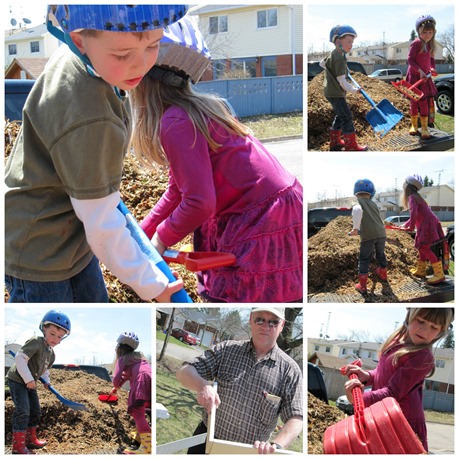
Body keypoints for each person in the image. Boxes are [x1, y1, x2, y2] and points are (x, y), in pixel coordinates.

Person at [4, 4, 188, 303]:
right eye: (122, 55)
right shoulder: (90, 116)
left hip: (70, 229)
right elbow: (102, 223)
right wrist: (153, 286)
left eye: (153, 45)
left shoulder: (83, 53)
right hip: (39, 249)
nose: (140, 65)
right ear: (79, 40)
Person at [130, 17, 303, 303]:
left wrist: (159, 241)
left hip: (261, 220)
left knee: (235, 296)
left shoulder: (175, 121)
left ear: (141, 83)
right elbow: (179, 191)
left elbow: (199, 202)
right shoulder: (204, 108)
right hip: (280, 209)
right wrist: (140, 235)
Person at [175, 307, 303, 454]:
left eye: (273, 322)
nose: (265, 326)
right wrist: (202, 386)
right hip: (207, 443)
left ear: (282, 325)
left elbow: (296, 417)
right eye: (260, 320)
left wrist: (277, 445)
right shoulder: (226, 350)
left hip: (250, 452)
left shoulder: (290, 371)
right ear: (250, 319)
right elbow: (184, 371)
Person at [342, 307, 454, 452]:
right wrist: (367, 376)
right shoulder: (396, 340)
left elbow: (392, 392)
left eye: (434, 327)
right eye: (420, 321)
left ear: (441, 332)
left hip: (402, 423)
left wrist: (360, 399)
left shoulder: (422, 356)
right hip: (383, 415)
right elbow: (383, 372)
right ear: (409, 316)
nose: (424, 330)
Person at [7, 310, 71, 454]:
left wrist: (46, 381)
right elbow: (20, 358)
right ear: (44, 329)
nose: (55, 338)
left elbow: (44, 370)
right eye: (52, 334)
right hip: (18, 379)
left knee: (35, 410)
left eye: (60, 336)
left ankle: (30, 439)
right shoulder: (36, 342)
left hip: (31, 382)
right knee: (23, 410)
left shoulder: (51, 354)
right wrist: (29, 379)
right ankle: (18, 447)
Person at [321, 25, 367, 151]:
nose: (351, 45)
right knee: (347, 117)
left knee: (340, 115)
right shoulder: (339, 58)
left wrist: (330, 70)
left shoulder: (334, 54)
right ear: (337, 41)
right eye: (348, 41)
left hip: (330, 91)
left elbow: (322, 63)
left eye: (352, 42)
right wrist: (354, 90)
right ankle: (350, 145)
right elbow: (342, 81)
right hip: (336, 92)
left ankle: (335, 142)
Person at [400, 174, 446, 284]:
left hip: (426, 225)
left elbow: (414, 213)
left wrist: (410, 227)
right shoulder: (418, 197)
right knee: (422, 248)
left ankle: (439, 274)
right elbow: (416, 215)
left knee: (424, 248)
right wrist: (405, 225)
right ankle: (421, 271)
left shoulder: (411, 198)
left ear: (407, 186)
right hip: (428, 223)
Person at [112, 332, 152, 455]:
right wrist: (116, 390)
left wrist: (116, 386)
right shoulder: (138, 358)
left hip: (140, 382)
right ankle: (143, 436)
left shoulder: (122, 359)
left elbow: (116, 379)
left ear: (119, 348)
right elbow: (127, 375)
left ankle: (147, 448)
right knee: (144, 409)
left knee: (137, 412)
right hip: (150, 380)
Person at [348, 179, 387, 294]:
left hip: (368, 236)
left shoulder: (358, 203)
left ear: (356, 192)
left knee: (364, 259)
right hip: (381, 233)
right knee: (380, 254)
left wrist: (355, 229)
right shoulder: (374, 204)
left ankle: (363, 285)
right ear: (371, 192)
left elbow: (357, 210)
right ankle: (383, 274)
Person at [406, 15, 438, 139]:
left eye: (430, 32)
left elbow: (431, 60)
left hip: (425, 79)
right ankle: (414, 125)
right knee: (414, 102)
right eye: (424, 32)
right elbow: (410, 60)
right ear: (419, 31)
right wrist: (419, 70)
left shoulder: (430, 45)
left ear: (433, 32)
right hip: (415, 77)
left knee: (424, 103)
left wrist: (432, 68)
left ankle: (424, 128)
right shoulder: (417, 43)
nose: (427, 35)